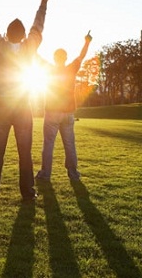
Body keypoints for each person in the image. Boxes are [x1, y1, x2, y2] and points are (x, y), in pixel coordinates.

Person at [0, 0, 53, 201]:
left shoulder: (0, 46)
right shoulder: (29, 47)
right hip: (23, 105)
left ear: (7, 34)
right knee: (24, 152)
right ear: (22, 34)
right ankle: (28, 193)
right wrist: (43, 3)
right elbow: (37, 28)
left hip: (2, 105)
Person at [35, 31, 93, 182]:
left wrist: (32, 42)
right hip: (68, 114)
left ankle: (45, 174)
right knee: (69, 145)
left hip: (52, 113)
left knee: (48, 145)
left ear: (54, 58)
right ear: (66, 58)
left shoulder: (48, 69)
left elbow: (35, 56)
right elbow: (82, 55)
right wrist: (87, 42)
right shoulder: (71, 68)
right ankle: (73, 174)